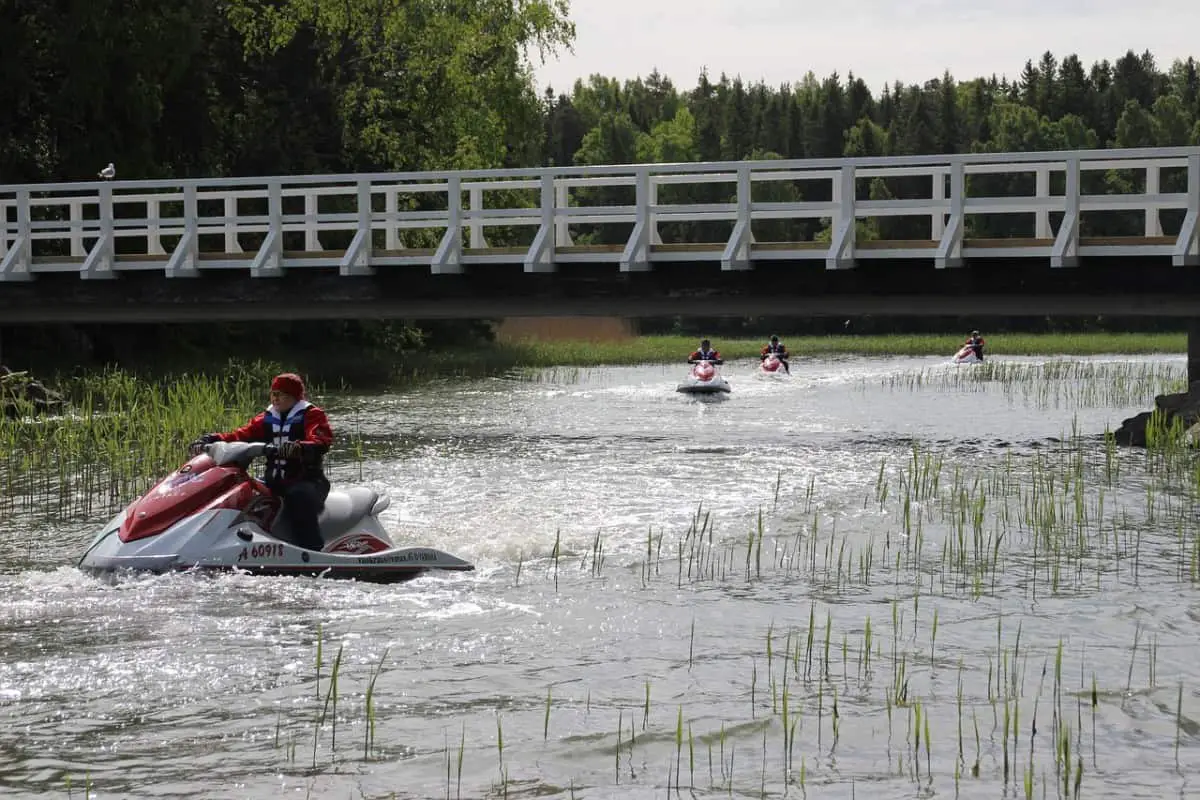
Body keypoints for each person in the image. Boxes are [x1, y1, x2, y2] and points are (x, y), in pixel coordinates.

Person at [190, 372, 333, 551]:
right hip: (274, 483)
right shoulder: (266, 418)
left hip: (308, 482)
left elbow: (321, 440)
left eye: (281, 394)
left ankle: (312, 549)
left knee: (298, 497)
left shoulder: (312, 415)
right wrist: (212, 439)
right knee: (242, 490)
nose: (275, 398)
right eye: (273, 394)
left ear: (294, 396)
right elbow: (241, 435)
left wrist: (300, 447)